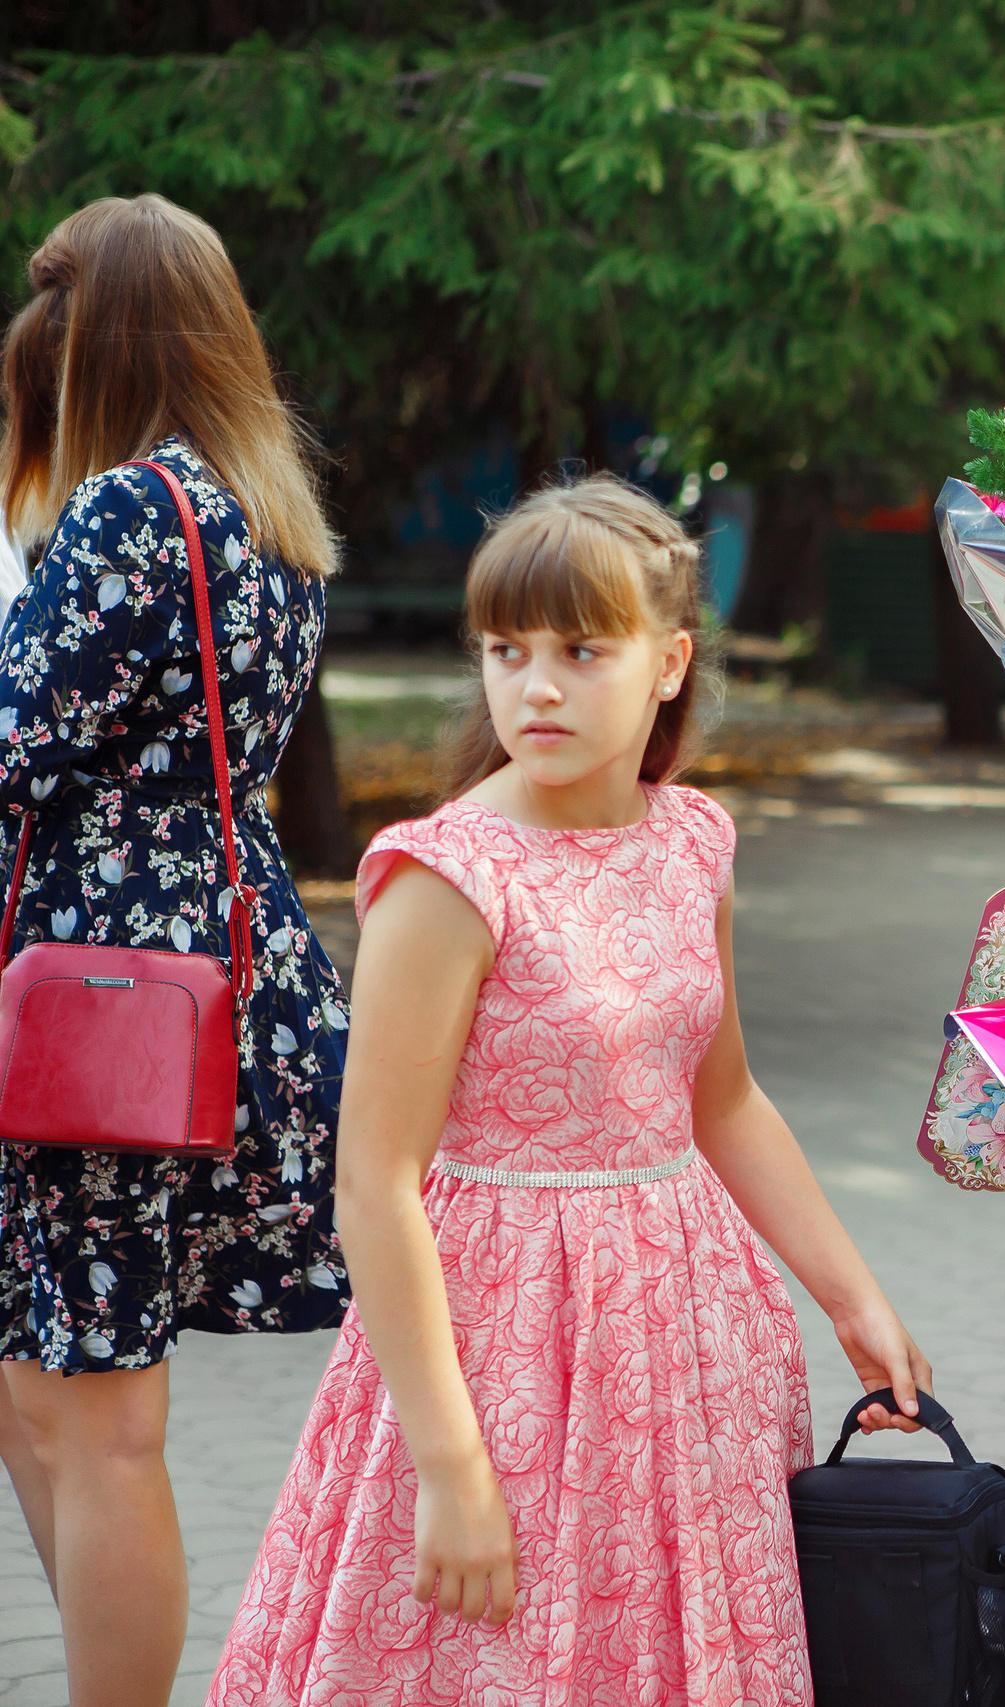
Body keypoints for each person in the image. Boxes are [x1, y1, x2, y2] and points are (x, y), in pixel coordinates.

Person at [211, 478, 931, 1706]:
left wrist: (852, 1295)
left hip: (692, 1346)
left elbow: (725, 1103)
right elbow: (375, 1185)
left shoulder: (692, 838)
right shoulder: (447, 876)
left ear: (669, 664)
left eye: (581, 651)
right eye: (506, 650)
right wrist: (449, 1466)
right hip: (498, 1355)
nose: (533, 688)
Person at [0, 194, 350, 1707]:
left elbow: (21, 734)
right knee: (45, 1396)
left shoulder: (134, 508)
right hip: (213, 959)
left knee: (95, 1415)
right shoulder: (266, 510)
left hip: (101, 990)